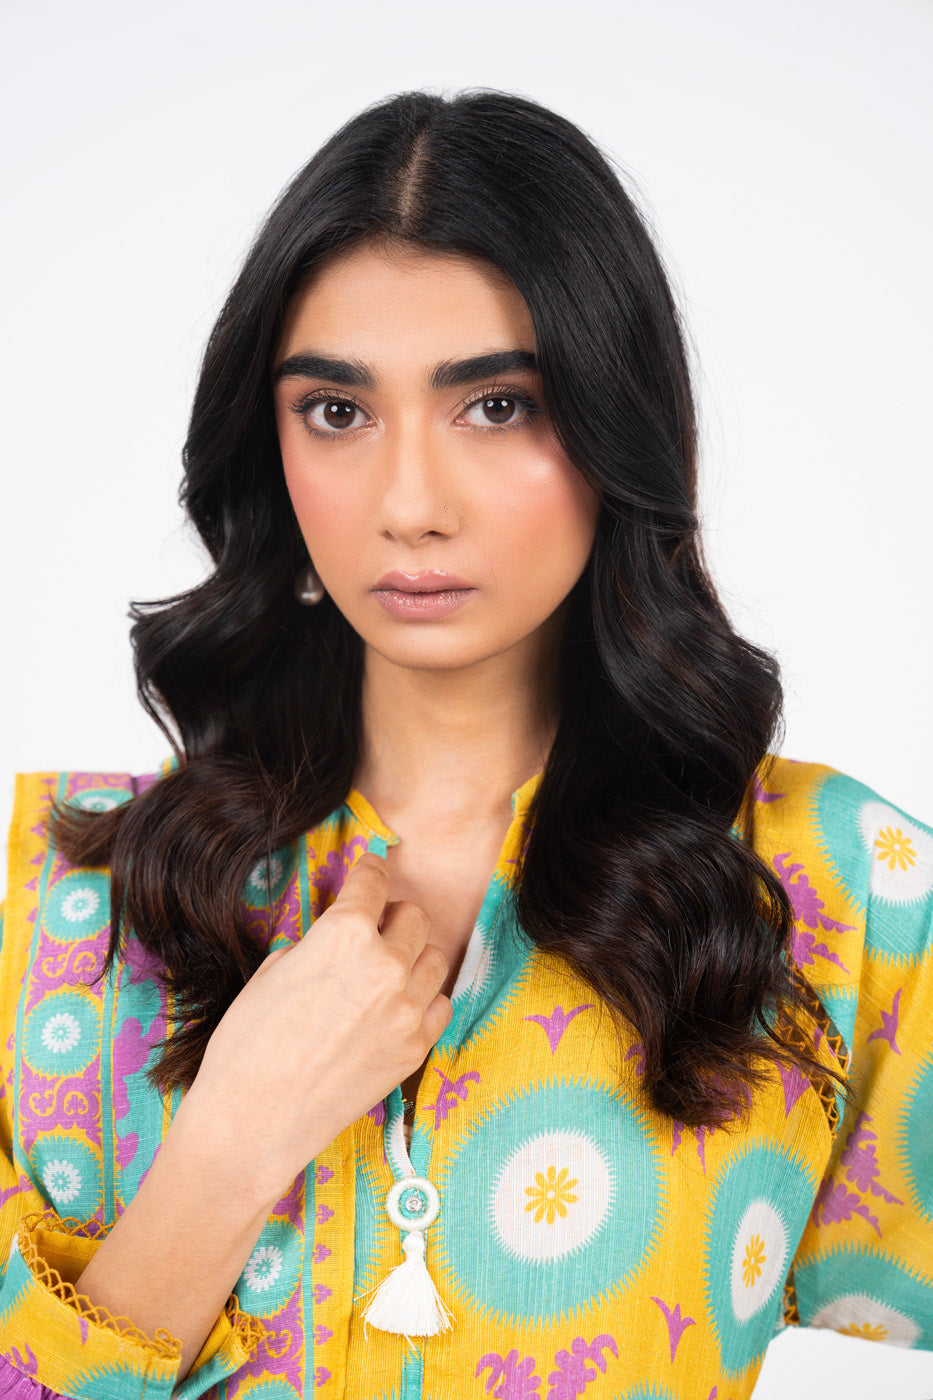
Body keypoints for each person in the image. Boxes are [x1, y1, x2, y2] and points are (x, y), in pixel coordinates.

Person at [0, 87, 930, 1400]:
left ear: (616, 430)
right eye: (337, 412)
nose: (410, 503)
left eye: (495, 406)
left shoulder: (830, 890)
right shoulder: (59, 909)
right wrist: (228, 1147)